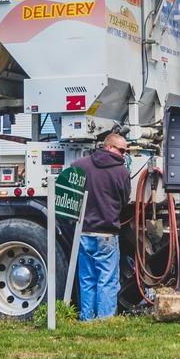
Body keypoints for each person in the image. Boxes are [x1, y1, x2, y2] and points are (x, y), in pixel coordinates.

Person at [75, 131, 132, 321]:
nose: (125, 155)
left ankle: (87, 319)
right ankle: (105, 321)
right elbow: (124, 202)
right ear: (109, 147)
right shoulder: (122, 172)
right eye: (122, 150)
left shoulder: (80, 166)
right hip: (106, 233)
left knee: (87, 279)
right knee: (107, 280)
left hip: (83, 232)